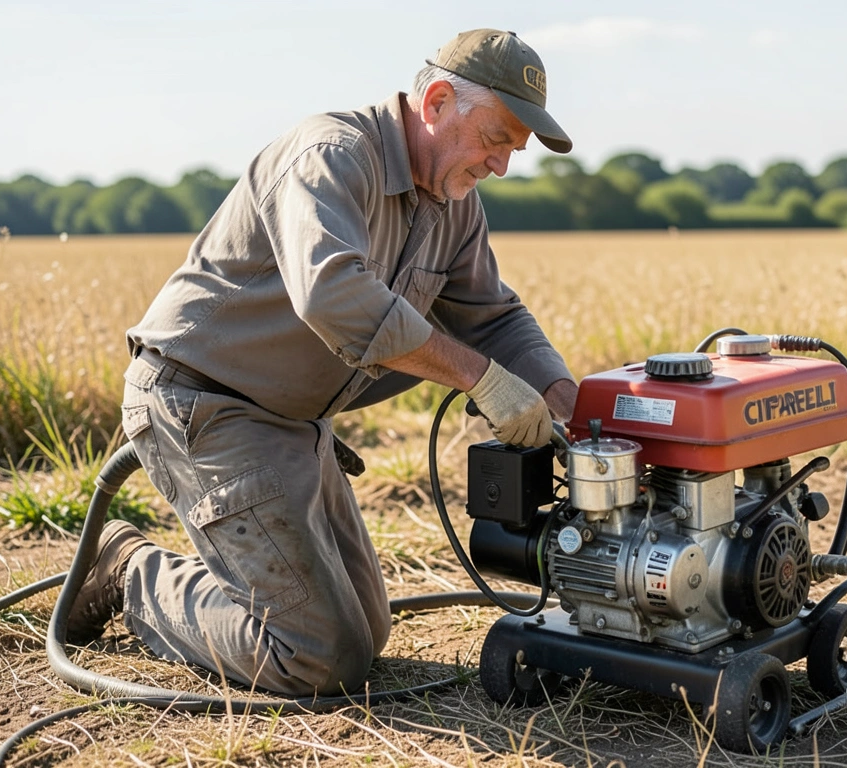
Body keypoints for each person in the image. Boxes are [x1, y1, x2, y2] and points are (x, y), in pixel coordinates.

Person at [63, 29, 579, 697]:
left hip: (292, 420)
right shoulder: (332, 155)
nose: (501, 165)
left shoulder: (454, 207)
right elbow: (333, 294)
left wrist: (571, 405)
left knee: (367, 628)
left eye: (514, 150)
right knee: (319, 656)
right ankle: (130, 572)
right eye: (495, 139)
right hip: (205, 403)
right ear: (437, 102)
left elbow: (495, 318)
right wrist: (481, 379)